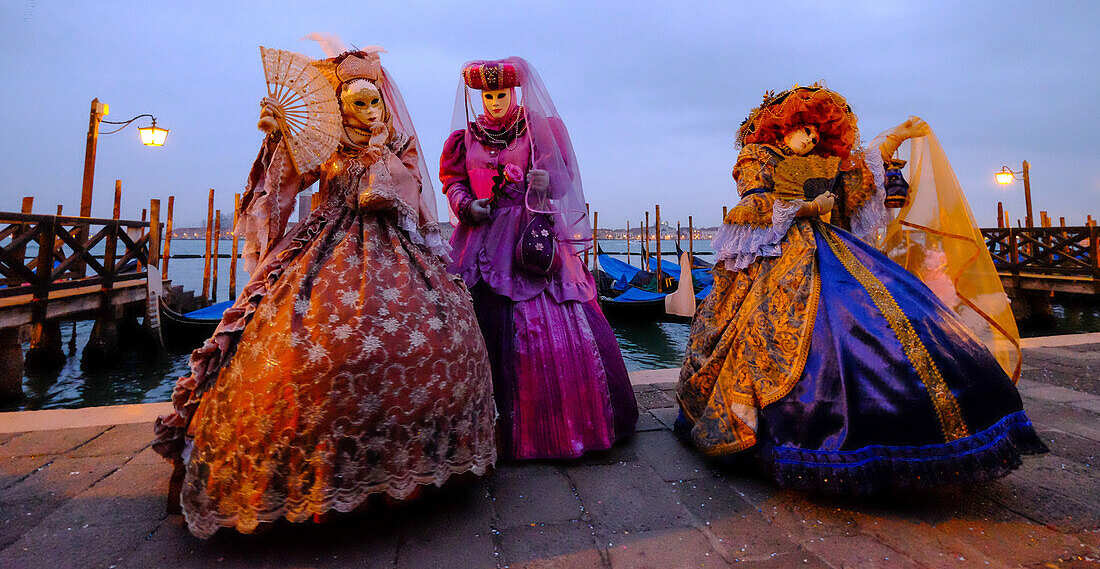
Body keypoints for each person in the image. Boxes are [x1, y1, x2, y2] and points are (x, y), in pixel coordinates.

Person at [153, 39, 497, 538]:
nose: (370, 108)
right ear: (340, 104)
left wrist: (386, 168)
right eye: (358, 100)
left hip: (400, 251)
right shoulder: (323, 144)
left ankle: (412, 472)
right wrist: (277, 136)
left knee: (432, 339)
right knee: (306, 353)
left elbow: (412, 200)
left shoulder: (399, 146)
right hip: (324, 246)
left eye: (374, 98)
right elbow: (283, 186)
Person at [676, 84, 1045, 495]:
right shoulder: (757, 157)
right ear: (783, 127)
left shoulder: (823, 163)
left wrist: (892, 139)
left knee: (888, 316)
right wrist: (802, 207)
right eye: (806, 130)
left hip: (832, 247)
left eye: (819, 134)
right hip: (777, 256)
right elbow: (752, 205)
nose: (813, 138)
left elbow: (856, 184)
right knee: (769, 331)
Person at [439, 57, 637, 459]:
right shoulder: (466, 139)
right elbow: (454, 181)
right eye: (487, 95)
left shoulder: (539, 130)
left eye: (501, 94)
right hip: (480, 240)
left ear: (514, 93)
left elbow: (562, 181)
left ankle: (554, 428)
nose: (494, 102)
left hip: (533, 239)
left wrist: (547, 181)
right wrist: (465, 205)